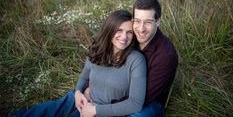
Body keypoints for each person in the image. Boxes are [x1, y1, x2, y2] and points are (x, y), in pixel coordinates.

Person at [9, 10, 147, 117]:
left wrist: (94, 110)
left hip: (105, 112)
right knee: (43, 110)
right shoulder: (98, 50)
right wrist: (77, 92)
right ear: (109, 30)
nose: (124, 37)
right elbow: (84, 76)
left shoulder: (136, 60)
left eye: (129, 32)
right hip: (82, 100)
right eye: (119, 30)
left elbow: (135, 104)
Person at [129, 0, 178, 116]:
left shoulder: (166, 56)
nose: (141, 29)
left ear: (158, 21)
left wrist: (105, 104)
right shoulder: (128, 36)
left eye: (148, 22)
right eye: (137, 21)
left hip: (149, 103)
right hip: (118, 89)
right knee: (76, 98)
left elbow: (142, 98)